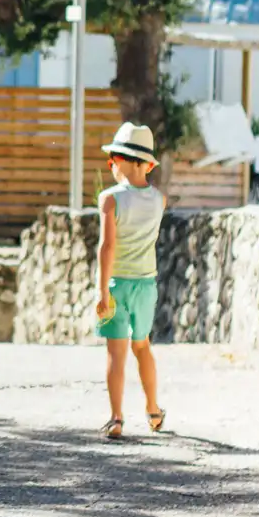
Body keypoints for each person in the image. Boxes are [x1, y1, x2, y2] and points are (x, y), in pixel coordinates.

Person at [95, 122, 168, 440]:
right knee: (142, 346)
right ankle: (153, 409)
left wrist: (102, 292)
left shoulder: (109, 199)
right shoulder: (159, 200)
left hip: (117, 284)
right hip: (146, 285)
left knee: (116, 352)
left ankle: (116, 418)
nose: (110, 166)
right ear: (148, 164)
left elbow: (107, 247)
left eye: (111, 160)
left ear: (122, 161)